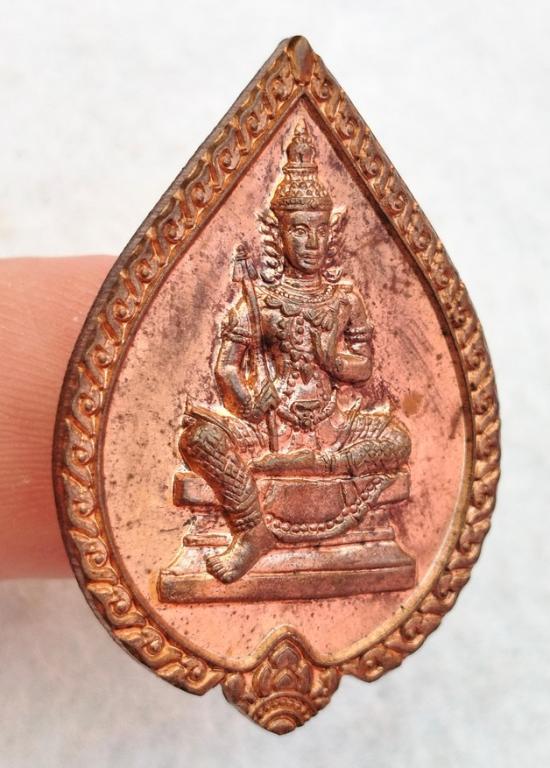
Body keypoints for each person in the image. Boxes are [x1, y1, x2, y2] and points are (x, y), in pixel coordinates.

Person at [179, 123, 411, 584]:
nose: (312, 243)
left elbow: (364, 369)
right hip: (269, 425)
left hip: (332, 427)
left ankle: (318, 466)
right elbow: (226, 366)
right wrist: (249, 402)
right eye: (299, 231)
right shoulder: (260, 301)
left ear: (332, 233)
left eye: (320, 231)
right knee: (198, 440)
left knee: (397, 439)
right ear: (278, 235)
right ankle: (252, 532)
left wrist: (332, 361)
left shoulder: (344, 299)